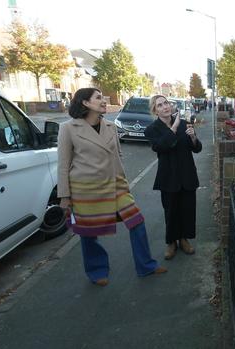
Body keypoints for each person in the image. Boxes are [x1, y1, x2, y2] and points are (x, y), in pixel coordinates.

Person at [57, 87, 166, 286]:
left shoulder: (110, 126)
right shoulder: (68, 128)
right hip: (86, 190)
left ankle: (146, 265)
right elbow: (63, 164)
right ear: (85, 103)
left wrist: (124, 182)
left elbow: (118, 156)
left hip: (116, 186)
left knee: (137, 222)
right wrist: (65, 196)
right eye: (98, 98)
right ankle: (97, 271)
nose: (104, 100)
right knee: (89, 233)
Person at [145, 95, 202, 260]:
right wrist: (174, 127)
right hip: (168, 177)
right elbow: (160, 147)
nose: (165, 107)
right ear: (155, 110)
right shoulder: (152, 129)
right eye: (160, 105)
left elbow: (197, 148)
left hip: (187, 174)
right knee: (170, 212)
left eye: (166, 103)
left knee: (187, 209)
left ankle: (184, 239)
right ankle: (171, 242)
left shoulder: (185, 124)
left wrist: (193, 137)